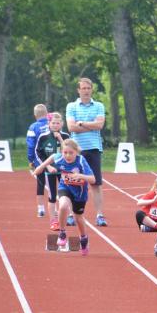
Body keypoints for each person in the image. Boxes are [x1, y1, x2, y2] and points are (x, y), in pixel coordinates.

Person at [33, 139, 94, 256]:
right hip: (65, 187)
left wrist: (80, 176)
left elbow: (93, 179)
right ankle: (62, 233)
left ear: (76, 152)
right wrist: (40, 168)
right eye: (65, 152)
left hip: (80, 193)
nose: (68, 155)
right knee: (63, 206)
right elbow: (49, 160)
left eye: (71, 153)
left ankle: (83, 238)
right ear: (62, 152)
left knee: (78, 218)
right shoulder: (58, 157)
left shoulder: (81, 161)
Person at [67, 77, 108, 226]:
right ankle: (71, 214)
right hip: (76, 150)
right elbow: (71, 127)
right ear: (78, 90)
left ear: (92, 90)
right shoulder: (71, 106)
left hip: (94, 148)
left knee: (95, 184)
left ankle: (100, 215)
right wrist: (90, 126)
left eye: (88, 88)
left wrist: (82, 123)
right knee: (73, 182)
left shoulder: (99, 106)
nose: (86, 91)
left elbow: (100, 125)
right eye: (83, 88)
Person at [35, 112, 70, 231]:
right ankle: (53, 221)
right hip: (50, 171)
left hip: (63, 171)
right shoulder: (43, 137)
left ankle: (66, 217)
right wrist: (48, 166)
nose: (55, 125)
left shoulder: (65, 136)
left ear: (62, 124)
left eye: (57, 123)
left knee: (65, 195)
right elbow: (38, 153)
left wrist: (59, 138)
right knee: (52, 196)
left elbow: (69, 150)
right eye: (53, 123)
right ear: (49, 124)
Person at [26, 103, 51, 217]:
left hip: (38, 159)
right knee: (53, 183)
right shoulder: (52, 124)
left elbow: (30, 145)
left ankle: (41, 209)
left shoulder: (33, 127)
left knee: (40, 183)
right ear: (46, 113)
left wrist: (30, 159)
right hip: (52, 158)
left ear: (35, 115)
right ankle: (54, 207)